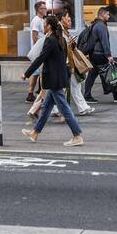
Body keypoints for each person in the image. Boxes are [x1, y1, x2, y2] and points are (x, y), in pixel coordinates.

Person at [21, 15, 84, 146]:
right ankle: (35, 132)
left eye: (44, 24)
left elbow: (40, 59)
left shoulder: (50, 40)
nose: (43, 26)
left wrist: (26, 74)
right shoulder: (60, 38)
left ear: (49, 26)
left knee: (64, 108)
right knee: (46, 108)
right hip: (58, 78)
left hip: (54, 80)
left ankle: (77, 135)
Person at [81, 6, 117, 103]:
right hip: (100, 54)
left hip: (94, 54)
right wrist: (108, 55)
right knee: (109, 73)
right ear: (101, 14)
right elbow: (104, 42)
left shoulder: (95, 24)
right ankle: (116, 95)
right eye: (107, 14)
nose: (109, 16)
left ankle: (87, 95)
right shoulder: (101, 26)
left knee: (93, 74)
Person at [26, 0, 47, 102]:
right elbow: (34, 36)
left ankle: (31, 93)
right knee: (39, 73)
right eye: (44, 8)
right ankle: (38, 93)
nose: (46, 9)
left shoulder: (42, 20)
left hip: (41, 49)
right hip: (39, 50)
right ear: (39, 9)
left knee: (36, 73)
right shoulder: (36, 20)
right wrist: (38, 50)